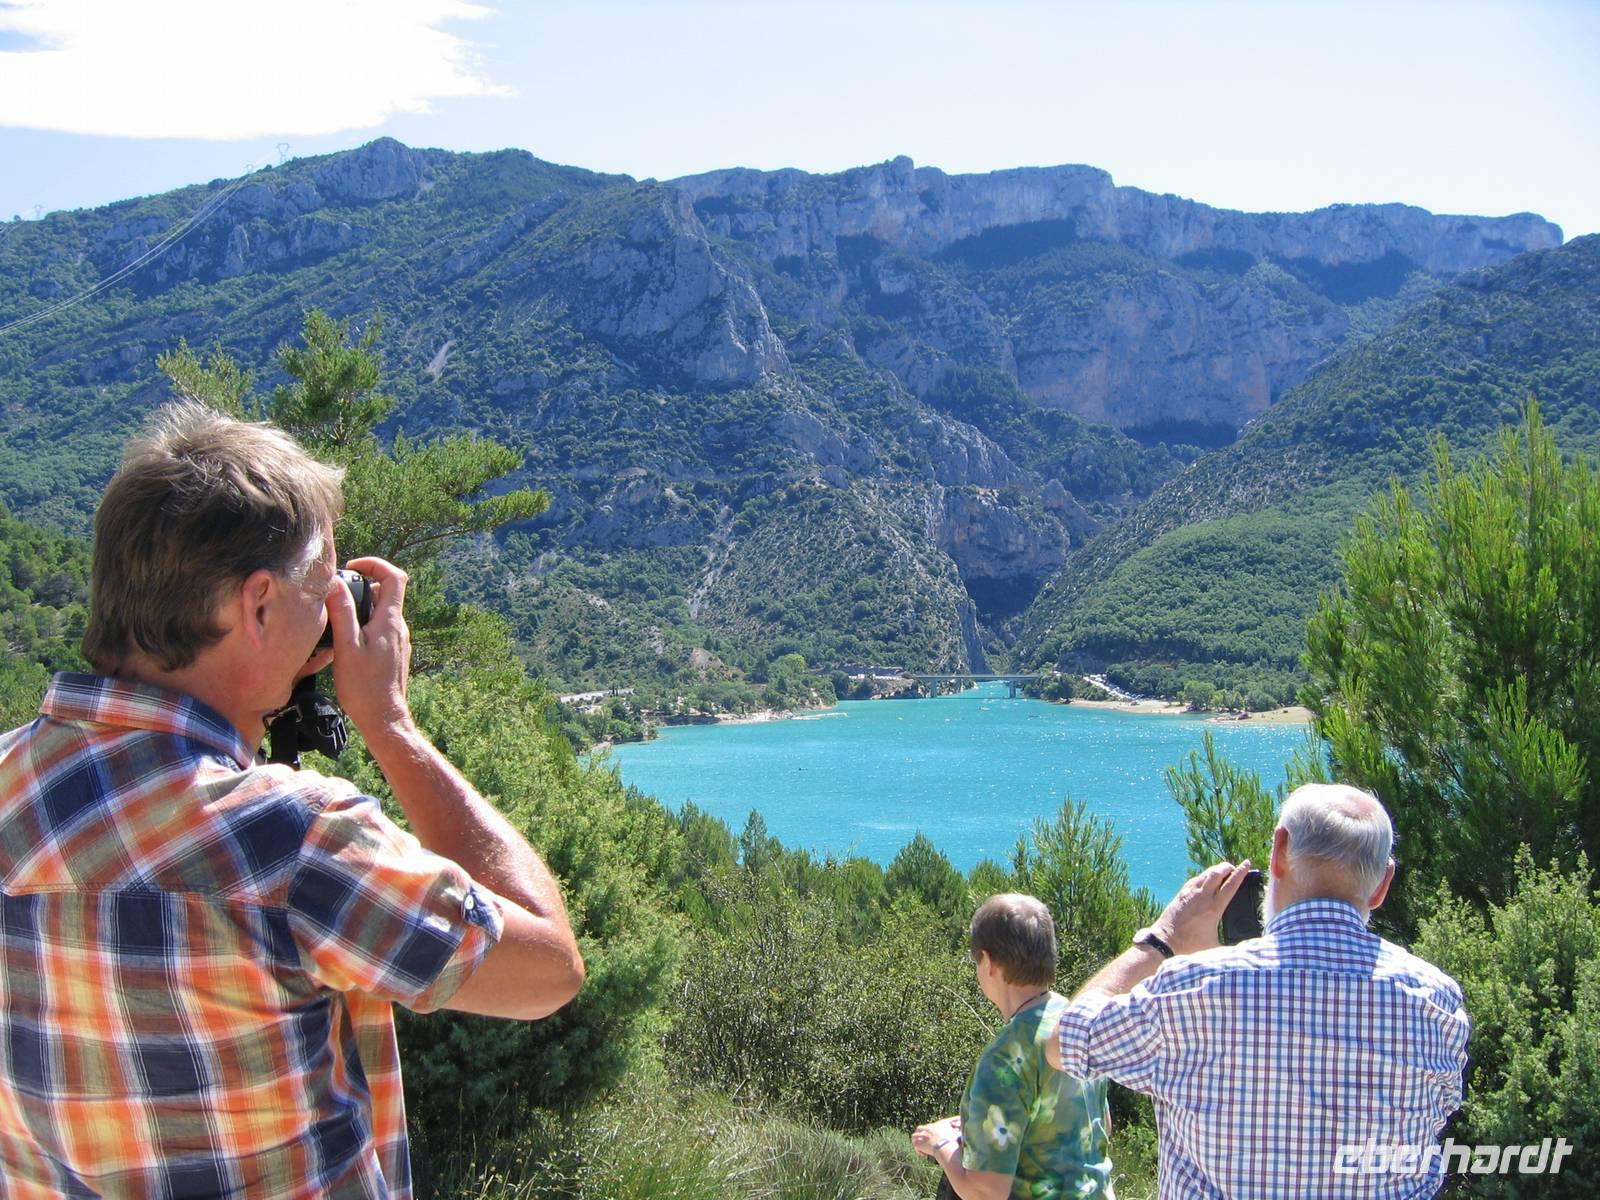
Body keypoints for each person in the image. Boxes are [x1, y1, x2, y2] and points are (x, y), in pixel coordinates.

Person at [0, 402, 584, 1198]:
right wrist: (392, 726)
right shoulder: (293, 843)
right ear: (261, 605)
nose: (334, 614)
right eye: (325, 590)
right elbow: (547, 969)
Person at [1046, 784, 1470, 1198]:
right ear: (1382, 885)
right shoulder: (1436, 1003)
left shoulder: (1192, 991)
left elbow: (1065, 1042)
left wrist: (1162, 940)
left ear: (1279, 851)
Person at [913, 893, 1112, 1200]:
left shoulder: (1004, 1059)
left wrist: (941, 1144)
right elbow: (1100, 1126)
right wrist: (979, 1128)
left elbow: (985, 1193)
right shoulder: (1075, 1023)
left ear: (989, 962)